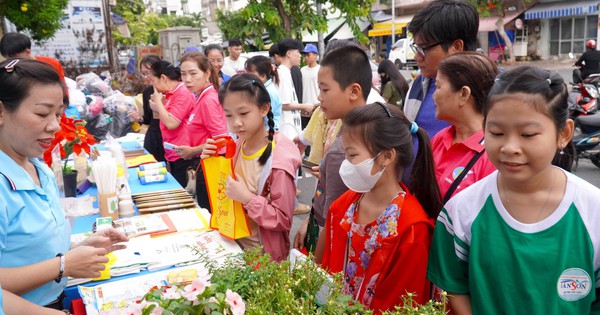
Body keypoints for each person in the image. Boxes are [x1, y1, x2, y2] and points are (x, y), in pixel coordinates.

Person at [426, 66, 600, 315]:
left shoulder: (593, 211)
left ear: (563, 134)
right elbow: (454, 286)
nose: (509, 147)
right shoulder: (460, 212)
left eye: (527, 134)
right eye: (496, 132)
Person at [0, 58, 128, 309]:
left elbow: (29, 252)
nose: (55, 126)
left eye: (58, 114)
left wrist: (79, 250)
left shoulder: (38, 168)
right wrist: (64, 265)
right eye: (42, 113)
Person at [322, 102, 441, 313]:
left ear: (387, 156)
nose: (346, 163)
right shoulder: (344, 208)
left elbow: (402, 304)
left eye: (352, 155)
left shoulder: (411, 229)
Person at [293, 40, 385, 252]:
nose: (319, 97)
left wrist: (315, 263)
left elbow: (331, 222)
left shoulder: (342, 149)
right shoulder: (371, 127)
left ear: (354, 91)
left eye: (325, 90)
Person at [201, 74, 301, 262]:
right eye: (229, 115)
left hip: (263, 258)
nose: (236, 122)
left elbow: (283, 219)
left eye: (244, 113)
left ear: (264, 109)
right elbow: (226, 194)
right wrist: (212, 163)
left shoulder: (279, 159)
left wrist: (247, 198)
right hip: (234, 245)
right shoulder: (239, 145)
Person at [404, 0, 479, 138]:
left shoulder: (496, 91)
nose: (417, 57)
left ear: (456, 47)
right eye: (416, 48)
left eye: (423, 48)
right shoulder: (418, 86)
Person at [431, 52, 498, 200]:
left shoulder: (493, 154)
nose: (433, 95)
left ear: (463, 94)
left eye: (438, 86)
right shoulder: (439, 139)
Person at [175, 52, 228, 210]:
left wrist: (192, 151)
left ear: (207, 73)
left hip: (210, 167)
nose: (187, 79)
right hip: (204, 165)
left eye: (193, 73)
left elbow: (221, 140)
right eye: (183, 74)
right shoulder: (201, 97)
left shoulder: (208, 100)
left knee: (211, 213)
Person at [148, 60, 195, 187]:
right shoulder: (171, 94)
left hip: (183, 154)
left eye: (153, 80)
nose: (152, 85)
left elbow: (171, 123)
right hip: (173, 152)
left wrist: (158, 102)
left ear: (163, 78)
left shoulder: (182, 93)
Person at [0, 32, 68, 98]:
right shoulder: (10, 70)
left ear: (27, 52)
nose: (12, 62)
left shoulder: (50, 64)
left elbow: (63, 89)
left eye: (15, 58)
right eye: (8, 59)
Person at [139, 55, 166, 163]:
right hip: (154, 136)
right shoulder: (147, 92)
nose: (146, 76)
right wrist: (138, 118)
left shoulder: (170, 89)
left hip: (170, 135)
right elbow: (147, 119)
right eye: (143, 73)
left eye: (148, 72)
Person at [245, 55, 282, 130]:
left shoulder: (268, 92)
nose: (247, 76)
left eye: (250, 73)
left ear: (262, 76)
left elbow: (265, 120)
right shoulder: (261, 89)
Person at [301, 44, 320, 109]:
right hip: (304, 106)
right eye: (305, 55)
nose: (306, 57)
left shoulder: (321, 69)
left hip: (317, 105)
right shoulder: (302, 70)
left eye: (308, 55)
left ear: (315, 55)